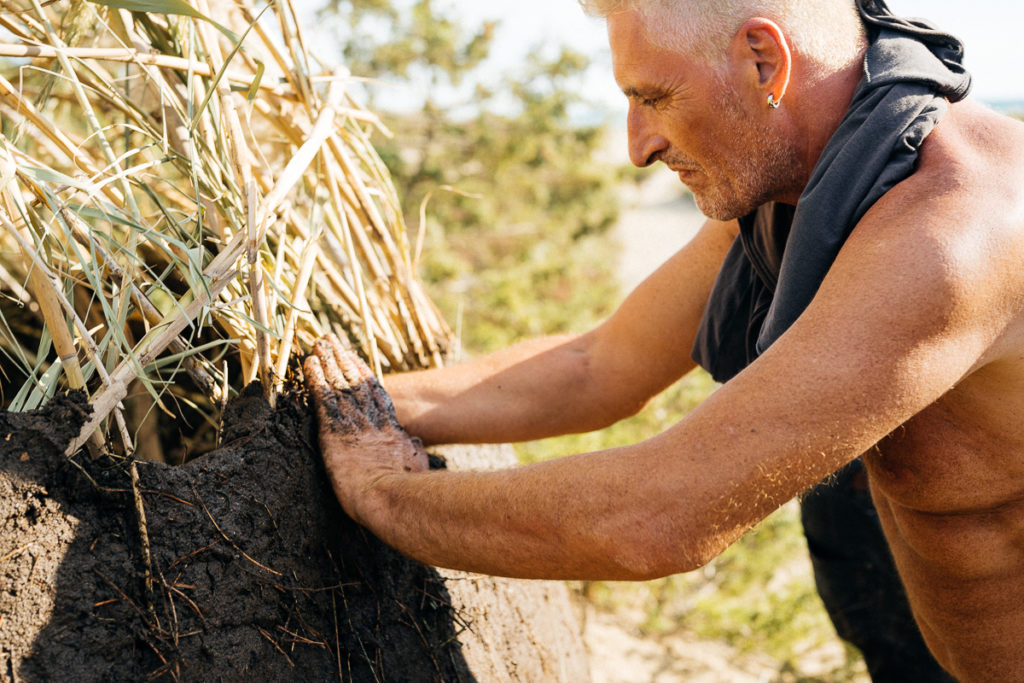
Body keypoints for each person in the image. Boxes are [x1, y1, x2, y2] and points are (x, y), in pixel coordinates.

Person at [303, 0, 1024, 679]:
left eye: (652, 97)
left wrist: (385, 495)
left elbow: (658, 516)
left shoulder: (950, 237)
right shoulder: (814, 186)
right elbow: (599, 366)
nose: (637, 146)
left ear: (764, 62)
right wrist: (342, 405)